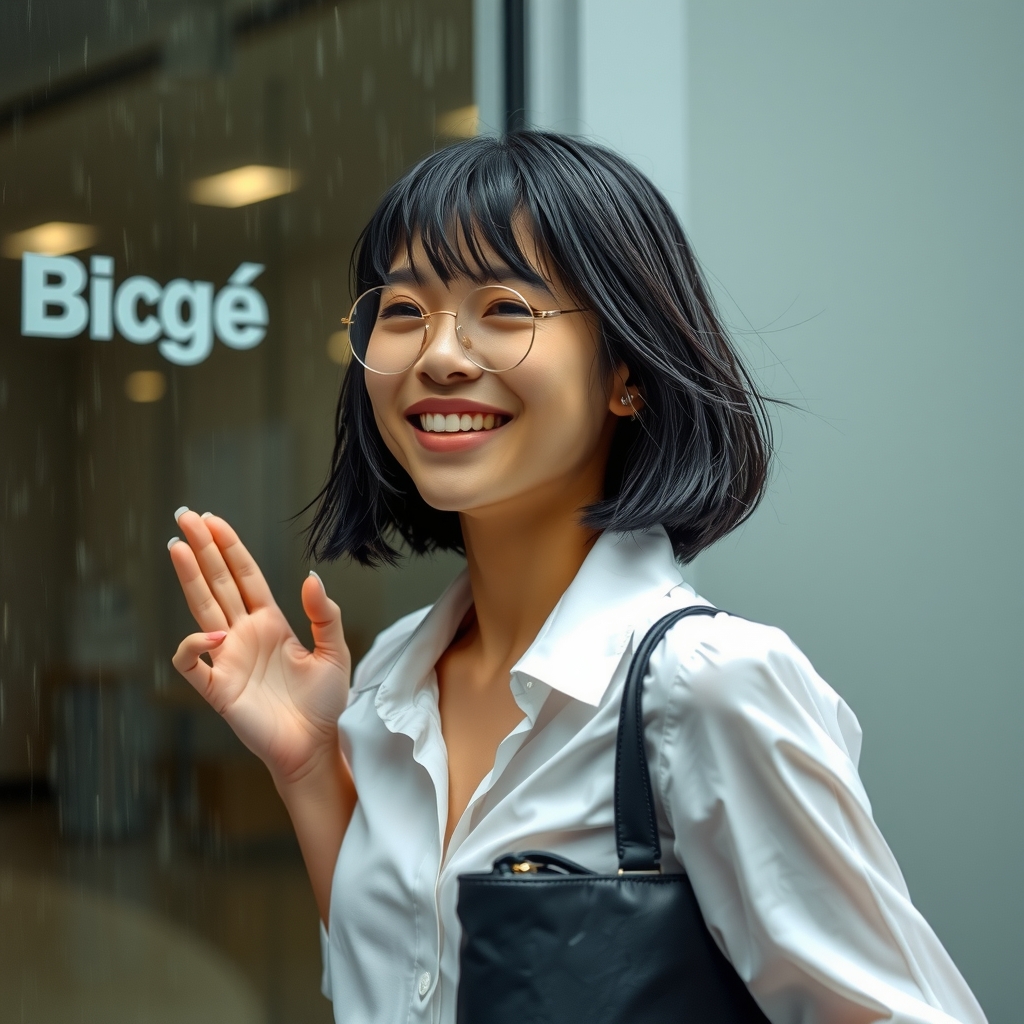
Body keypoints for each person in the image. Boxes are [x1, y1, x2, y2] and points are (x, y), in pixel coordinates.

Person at [167, 131, 986, 1024]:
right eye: (403, 310)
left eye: (507, 308)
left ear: (625, 375)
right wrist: (311, 766)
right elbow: (409, 985)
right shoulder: (395, 673)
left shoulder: (705, 685)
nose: (439, 354)